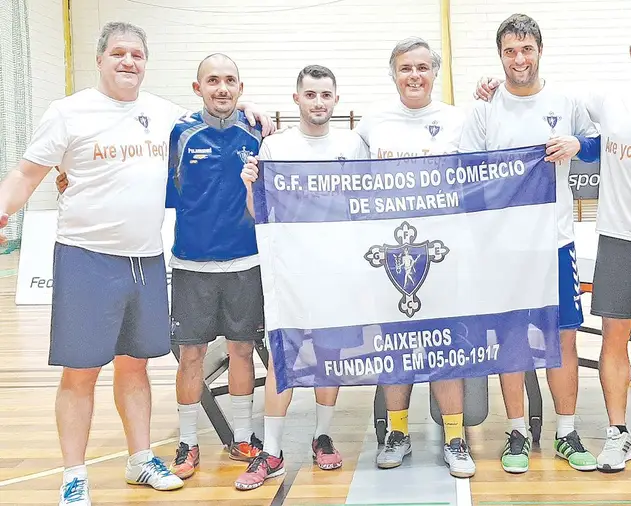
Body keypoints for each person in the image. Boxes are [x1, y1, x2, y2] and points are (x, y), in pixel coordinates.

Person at [1, 21, 271, 506]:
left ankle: (140, 457)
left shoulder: (164, 115)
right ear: (100, 59)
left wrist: (253, 110)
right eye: (119, 54)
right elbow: (26, 173)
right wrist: (3, 211)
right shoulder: (67, 112)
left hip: (146, 261)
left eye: (137, 55)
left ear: (146, 63)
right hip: (85, 257)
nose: (128, 62)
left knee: (136, 368)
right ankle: (74, 475)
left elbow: (215, 114)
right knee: (81, 372)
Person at [475, 14, 631, 477]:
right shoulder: (600, 99)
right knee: (604, 338)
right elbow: (579, 146)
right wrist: (486, 85)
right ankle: (613, 433)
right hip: (605, 240)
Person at [460, 13, 600, 475]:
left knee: (563, 339)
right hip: (503, 250)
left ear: (540, 50)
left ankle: (566, 430)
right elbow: (466, 175)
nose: (519, 59)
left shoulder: (567, 100)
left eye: (526, 49)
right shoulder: (484, 108)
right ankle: (517, 430)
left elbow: (600, 143)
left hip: (556, 242)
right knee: (512, 340)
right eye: (509, 51)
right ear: (500, 56)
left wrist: (578, 145)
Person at [234, 64, 370, 491]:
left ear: (336, 99)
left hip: (338, 270)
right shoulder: (275, 148)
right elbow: (260, 215)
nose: (318, 102)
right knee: (283, 358)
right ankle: (271, 450)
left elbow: (367, 204)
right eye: (310, 95)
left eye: (325, 95)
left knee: (330, 356)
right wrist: (248, 186)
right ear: (297, 99)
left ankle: (322, 435)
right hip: (290, 272)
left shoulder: (353, 144)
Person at [352, 36, 475, 479]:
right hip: (389, 257)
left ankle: (456, 438)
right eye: (406, 68)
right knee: (395, 350)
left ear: (434, 73)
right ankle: (398, 433)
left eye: (423, 67)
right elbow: (345, 181)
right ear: (394, 73)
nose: (415, 75)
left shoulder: (457, 120)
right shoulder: (372, 124)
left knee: (445, 351)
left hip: (441, 254)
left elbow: (482, 178)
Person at [161, 54, 266, 480]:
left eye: (230, 81)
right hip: (192, 264)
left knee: (242, 350)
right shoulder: (179, 134)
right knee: (191, 355)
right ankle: (188, 443)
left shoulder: (258, 132)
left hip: (246, 262)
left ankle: (242, 434)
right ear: (197, 87)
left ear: (241, 89)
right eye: (212, 81)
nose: (221, 88)